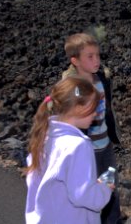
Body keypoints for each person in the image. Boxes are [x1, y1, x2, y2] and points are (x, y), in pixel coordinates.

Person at [25, 76, 113, 223]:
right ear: (79, 108)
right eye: (94, 107)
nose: (97, 113)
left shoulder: (45, 135)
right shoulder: (78, 145)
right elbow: (85, 195)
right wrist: (106, 185)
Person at [62, 32, 122, 224]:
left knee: (110, 187)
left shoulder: (102, 77)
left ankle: (113, 221)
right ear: (75, 60)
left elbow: (108, 109)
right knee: (89, 194)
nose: (96, 60)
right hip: (86, 151)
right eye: (90, 56)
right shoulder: (71, 87)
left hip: (106, 146)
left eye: (98, 55)